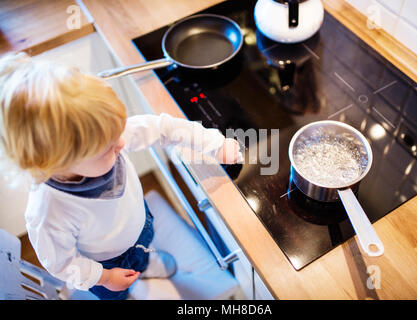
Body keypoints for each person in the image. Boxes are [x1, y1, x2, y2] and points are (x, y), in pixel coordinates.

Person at [0, 52, 242, 300]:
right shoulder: (48, 210)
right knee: (117, 291)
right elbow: (62, 263)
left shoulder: (103, 135)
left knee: (143, 250)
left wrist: (214, 144)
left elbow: (164, 128)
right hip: (106, 263)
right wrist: (104, 278)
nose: (122, 142)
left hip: (138, 224)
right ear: (57, 161)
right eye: (107, 148)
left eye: (119, 130)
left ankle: (145, 265)